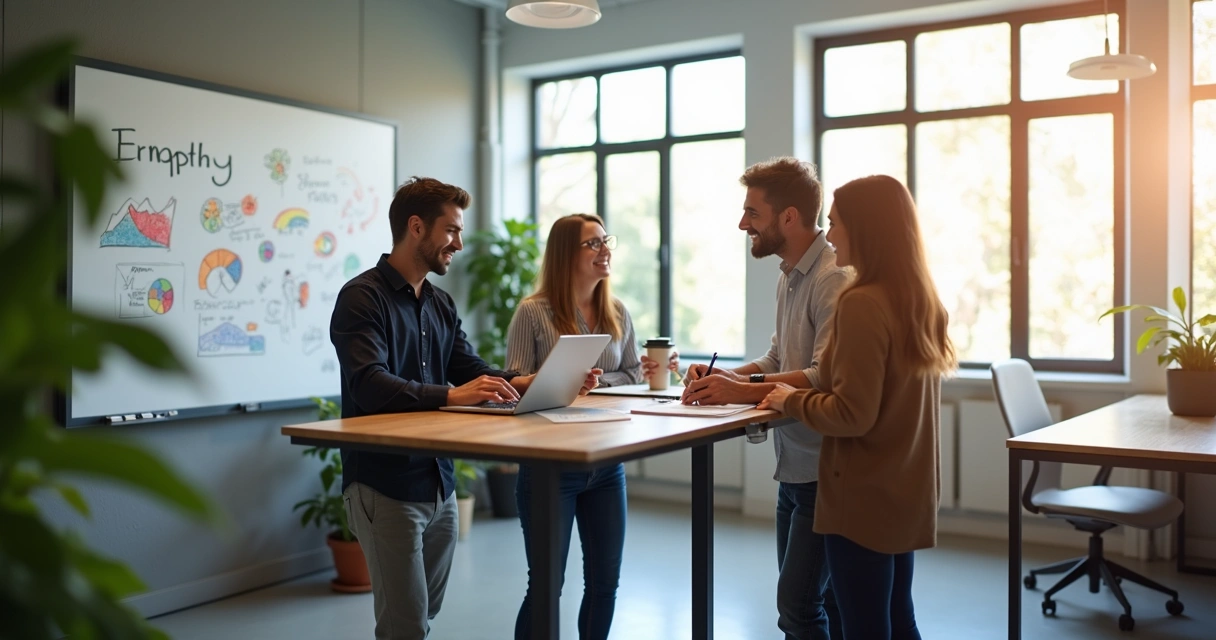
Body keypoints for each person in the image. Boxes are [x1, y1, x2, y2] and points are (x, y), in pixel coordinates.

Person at [330, 177, 599, 640]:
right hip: (384, 483)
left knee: (422, 616)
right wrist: (453, 394)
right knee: (405, 627)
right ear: (416, 227)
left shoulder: (439, 302)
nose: (458, 242)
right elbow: (369, 385)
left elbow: (468, 367)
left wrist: (524, 381)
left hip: (439, 485)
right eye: (451, 230)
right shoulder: (361, 298)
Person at [759, 175, 956, 640]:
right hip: (904, 492)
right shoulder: (922, 301)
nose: (830, 234)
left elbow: (853, 413)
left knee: (862, 625)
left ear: (863, 230)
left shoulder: (862, 303)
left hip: (862, 498)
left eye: (835, 223)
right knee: (896, 618)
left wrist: (792, 399)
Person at [681, 157, 848, 640]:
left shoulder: (831, 277)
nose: (742, 223)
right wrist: (728, 377)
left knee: (798, 608)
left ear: (789, 217)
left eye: (752, 212)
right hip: (794, 469)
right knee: (822, 604)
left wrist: (742, 390)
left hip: (826, 471)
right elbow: (778, 358)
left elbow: (825, 374)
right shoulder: (789, 274)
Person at [504, 213, 676, 640]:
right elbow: (513, 387)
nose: (606, 251)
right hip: (550, 467)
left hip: (606, 462)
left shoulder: (616, 310)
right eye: (593, 244)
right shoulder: (533, 312)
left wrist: (598, 381)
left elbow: (633, 373)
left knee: (605, 585)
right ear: (567, 254)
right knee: (546, 586)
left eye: (606, 241)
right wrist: (565, 382)